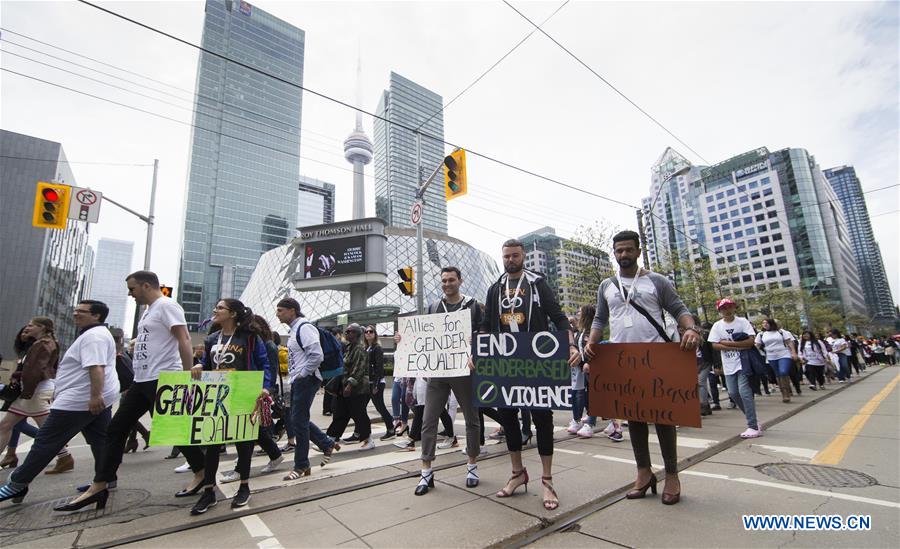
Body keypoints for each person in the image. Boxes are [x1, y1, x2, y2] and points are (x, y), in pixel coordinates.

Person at [582, 230, 701, 506]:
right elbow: (600, 319)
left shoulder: (656, 281)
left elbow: (679, 308)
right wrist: (591, 341)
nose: (623, 255)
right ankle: (644, 472)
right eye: (619, 250)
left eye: (628, 250)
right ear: (614, 253)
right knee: (633, 418)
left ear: (638, 251)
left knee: (663, 419)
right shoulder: (606, 286)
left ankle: (672, 474)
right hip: (623, 361)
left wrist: (691, 329)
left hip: (656, 359)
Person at [71, 271, 205, 508]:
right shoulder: (148, 312)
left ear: (145, 286)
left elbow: (184, 338)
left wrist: (186, 376)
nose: (130, 294)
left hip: (164, 378)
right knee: (116, 429)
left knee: (174, 431)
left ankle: (202, 472)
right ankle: (101, 483)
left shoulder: (166, 305)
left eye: (132, 289)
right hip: (142, 381)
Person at [479, 239, 576, 511]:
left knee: (542, 418)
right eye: (506, 256)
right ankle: (517, 473)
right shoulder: (495, 288)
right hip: (505, 364)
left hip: (536, 362)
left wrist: (569, 344)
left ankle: (547, 480)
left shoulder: (537, 284)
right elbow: (486, 326)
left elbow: (557, 317)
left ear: (523, 257)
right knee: (508, 418)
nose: (510, 260)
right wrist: (478, 351)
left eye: (515, 255)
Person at [0, 301, 120, 509]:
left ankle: (17, 483)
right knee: (100, 440)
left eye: (81, 312)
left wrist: (95, 395)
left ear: (97, 316)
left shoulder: (94, 337)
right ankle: (106, 479)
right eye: (75, 310)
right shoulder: (96, 334)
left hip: (80, 400)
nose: (75, 314)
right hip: (90, 397)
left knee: (46, 441)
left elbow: (96, 367)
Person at [396, 266, 484, 496]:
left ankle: (472, 465)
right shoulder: (434, 307)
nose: (447, 284)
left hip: (463, 370)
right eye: (444, 280)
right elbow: (423, 334)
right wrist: (403, 338)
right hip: (438, 372)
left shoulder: (473, 306)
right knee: (428, 420)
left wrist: (476, 350)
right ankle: (426, 470)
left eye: (451, 280)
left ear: (460, 281)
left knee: (472, 418)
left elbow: (484, 333)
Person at [189, 299, 276, 514]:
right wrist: (200, 365)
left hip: (243, 394)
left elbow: (264, 364)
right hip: (217, 396)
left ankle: (244, 487)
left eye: (220, 308)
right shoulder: (211, 339)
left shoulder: (250, 338)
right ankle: (209, 491)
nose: (215, 311)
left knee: (244, 441)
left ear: (233, 314)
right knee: (212, 442)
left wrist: (265, 387)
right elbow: (210, 366)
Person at [275, 298, 339, 481]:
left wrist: (303, 373)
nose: (277, 314)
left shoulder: (305, 327)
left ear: (292, 310)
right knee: (296, 419)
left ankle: (301, 464)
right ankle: (326, 443)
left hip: (306, 380)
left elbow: (316, 355)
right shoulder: (295, 329)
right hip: (298, 380)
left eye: (280, 310)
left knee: (298, 421)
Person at [0, 318, 69, 473]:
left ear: (41, 327)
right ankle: (65, 457)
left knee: (47, 430)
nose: (28, 327)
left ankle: (65, 457)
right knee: (5, 426)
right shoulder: (41, 343)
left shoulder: (43, 344)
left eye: (31, 325)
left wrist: (25, 387)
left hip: (35, 391)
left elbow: (35, 371)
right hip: (33, 390)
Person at [708, 299, 761, 438]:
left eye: (730, 307)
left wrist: (725, 343)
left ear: (734, 308)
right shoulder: (717, 326)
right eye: (724, 308)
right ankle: (753, 419)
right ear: (719, 311)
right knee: (733, 393)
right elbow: (714, 344)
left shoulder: (743, 322)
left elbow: (750, 342)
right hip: (729, 364)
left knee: (744, 392)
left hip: (744, 362)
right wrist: (736, 345)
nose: (727, 310)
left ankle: (753, 426)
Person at [325, 324, 374, 450]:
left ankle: (368, 439)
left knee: (359, 414)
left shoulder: (360, 349)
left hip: (356, 389)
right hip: (344, 387)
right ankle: (329, 440)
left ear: (357, 334)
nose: (347, 333)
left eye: (350, 332)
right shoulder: (348, 347)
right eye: (346, 331)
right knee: (340, 413)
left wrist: (350, 385)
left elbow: (359, 369)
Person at [1, 328, 42, 470]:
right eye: (22, 333)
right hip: (21, 390)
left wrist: (17, 376)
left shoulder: (37, 348)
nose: (23, 335)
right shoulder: (25, 350)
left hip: (30, 391)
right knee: (13, 425)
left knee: (11, 425)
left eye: (27, 332)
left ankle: (59, 446)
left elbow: (38, 370)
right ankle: (10, 455)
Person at [569, 304, 602, 438]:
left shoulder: (592, 332)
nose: (578, 314)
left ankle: (591, 424)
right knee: (587, 394)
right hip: (582, 368)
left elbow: (596, 350)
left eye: (580, 312)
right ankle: (586, 419)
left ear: (586, 315)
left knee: (595, 395)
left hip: (592, 367)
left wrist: (588, 362)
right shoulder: (582, 331)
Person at [755, 319, 799, 403]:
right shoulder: (761, 334)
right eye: (763, 323)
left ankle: (786, 392)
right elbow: (757, 345)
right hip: (771, 356)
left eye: (767, 323)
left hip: (784, 354)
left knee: (783, 371)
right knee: (778, 374)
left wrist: (793, 352)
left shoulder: (781, 332)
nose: (765, 324)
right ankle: (784, 393)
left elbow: (789, 342)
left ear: (771, 323)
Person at [365, 326, 394, 440]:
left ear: (375, 334)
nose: (368, 333)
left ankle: (391, 429)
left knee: (380, 407)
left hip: (376, 383)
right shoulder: (367, 348)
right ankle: (360, 432)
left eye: (371, 331)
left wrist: (376, 384)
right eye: (366, 332)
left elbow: (379, 368)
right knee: (361, 407)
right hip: (368, 382)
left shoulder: (377, 348)